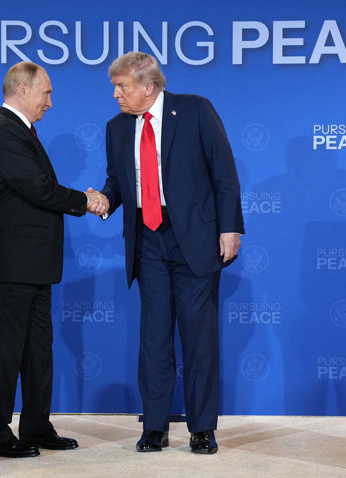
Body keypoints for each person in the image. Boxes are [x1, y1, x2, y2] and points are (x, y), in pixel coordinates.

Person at [100, 52, 244, 454]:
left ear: (148, 87)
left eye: (121, 86)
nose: (115, 94)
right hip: (147, 241)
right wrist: (105, 200)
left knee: (199, 338)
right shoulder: (116, 128)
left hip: (195, 239)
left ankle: (202, 428)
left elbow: (224, 173)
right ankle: (154, 426)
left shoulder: (195, 110)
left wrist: (230, 227)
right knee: (154, 338)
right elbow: (117, 181)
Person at [0, 61, 107, 458]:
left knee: (37, 351)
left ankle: (35, 425)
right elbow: (38, 188)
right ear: (23, 90)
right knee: (6, 350)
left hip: (33, 264)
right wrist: (85, 200)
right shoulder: (6, 132)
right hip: (11, 263)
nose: (50, 101)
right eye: (46, 93)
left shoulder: (20, 132)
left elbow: (39, 189)